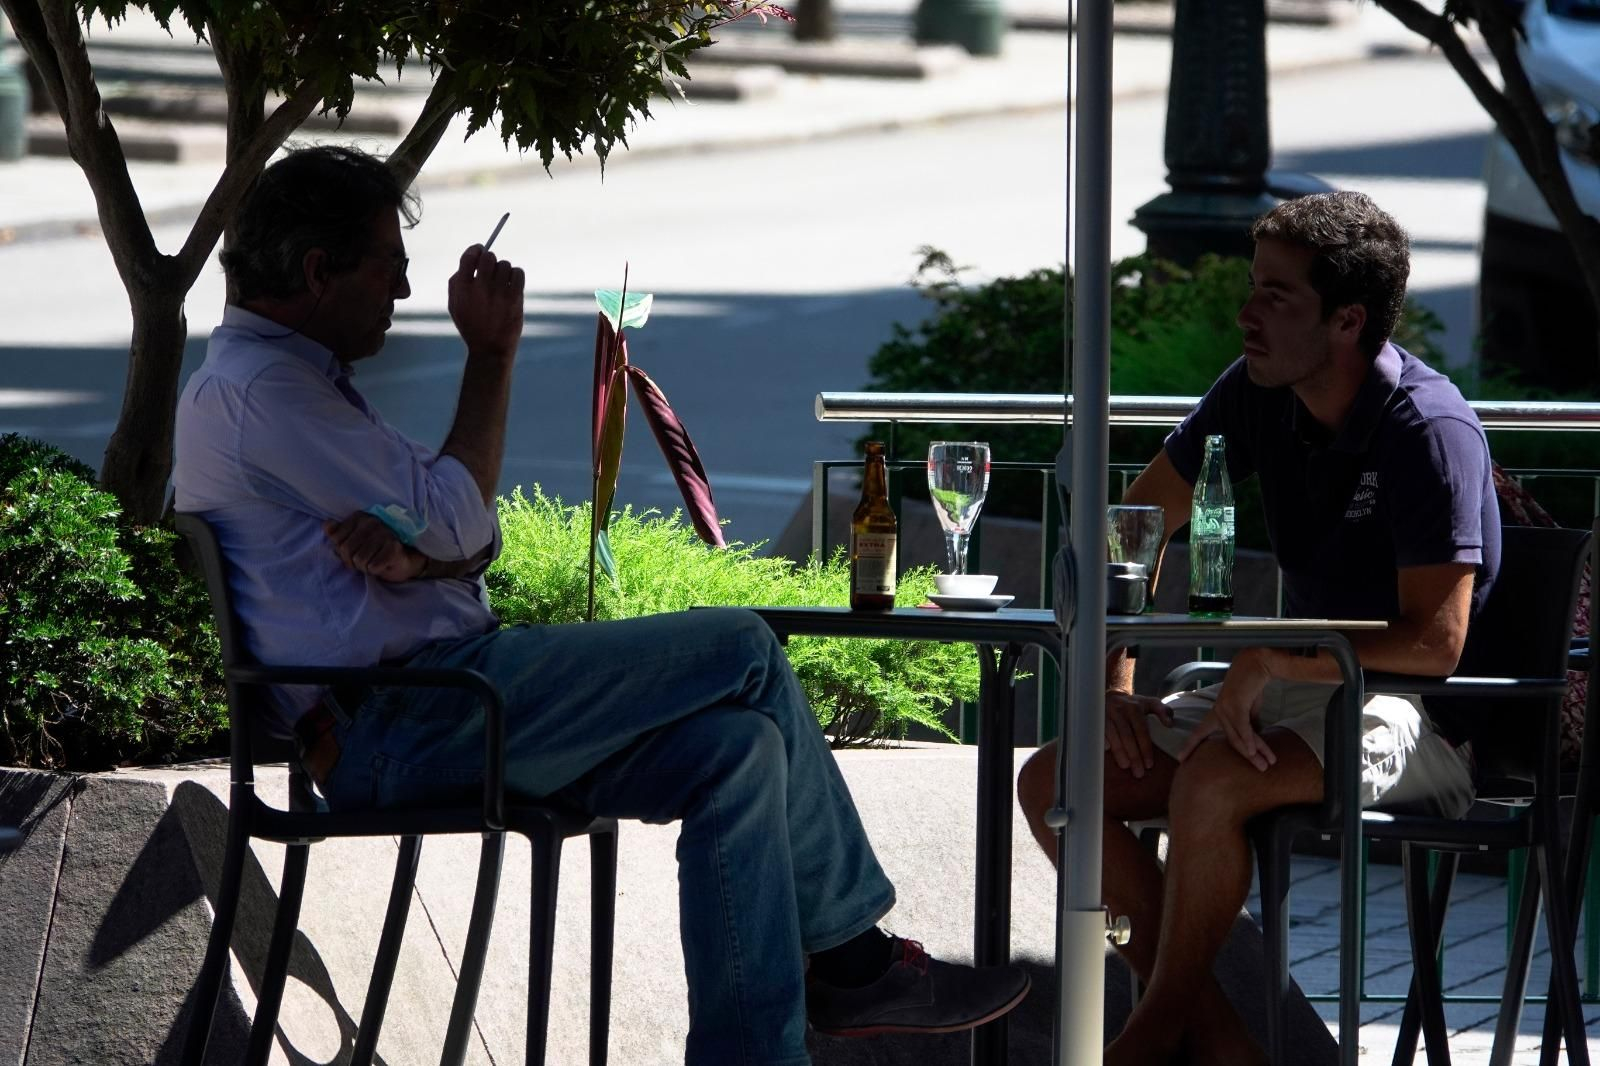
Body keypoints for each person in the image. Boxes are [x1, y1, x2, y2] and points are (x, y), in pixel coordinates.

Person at [171, 145, 1028, 1065]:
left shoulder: (280, 385)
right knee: (744, 643)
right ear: (315, 271)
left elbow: (461, 536)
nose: (407, 285)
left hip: (433, 705)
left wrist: (429, 562)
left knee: (740, 752)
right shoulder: (266, 392)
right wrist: (493, 357)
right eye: (389, 261)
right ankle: (855, 962)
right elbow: (460, 519)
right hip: (414, 716)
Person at [1017, 191, 1500, 1066]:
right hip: (1290, 690)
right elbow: (1135, 526)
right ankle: (1217, 1038)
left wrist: (1274, 658)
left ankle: (1154, 1036)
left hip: (1423, 715)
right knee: (1059, 779)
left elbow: (1437, 645)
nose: (1246, 311)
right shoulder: (1257, 393)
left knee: (1212, 781)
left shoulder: (1427, 430)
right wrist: (1112, 686)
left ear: (1348, 320)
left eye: (1276, 295)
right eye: (1253, 286)